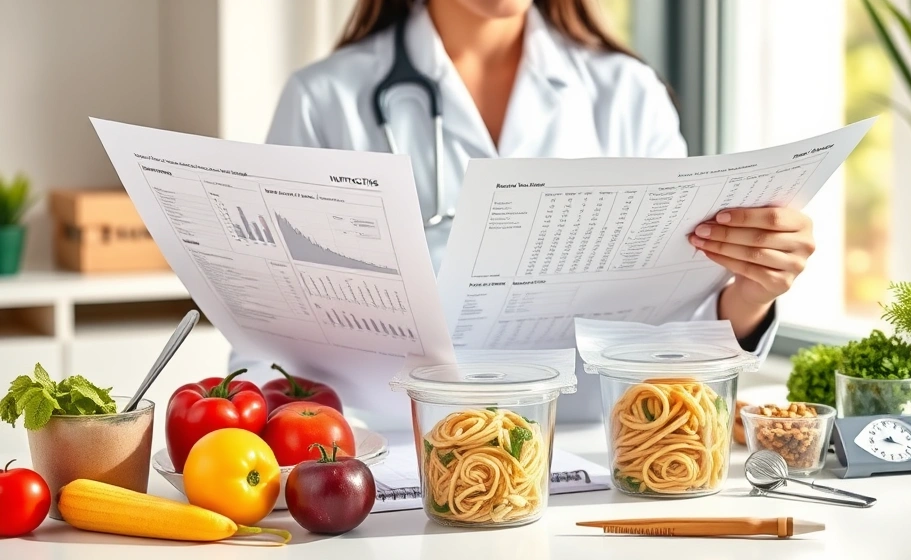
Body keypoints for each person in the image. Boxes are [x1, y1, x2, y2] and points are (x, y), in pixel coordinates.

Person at [229, 0, 815, 432]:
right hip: (383, 465)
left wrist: (752, 292)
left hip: (592, 459)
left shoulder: (628, 94)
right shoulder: (323, 99)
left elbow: (671, 329)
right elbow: (265, 333)